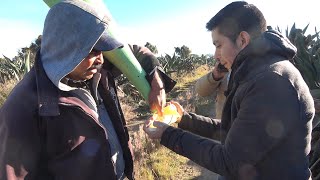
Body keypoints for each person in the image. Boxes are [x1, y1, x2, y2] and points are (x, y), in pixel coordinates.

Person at [0, 0, 175, 179]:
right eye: (92, 51)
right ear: (65, 48)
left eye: (104, 50)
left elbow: (135, 52)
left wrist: (156, 82)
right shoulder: (21, 110)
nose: (100, 59)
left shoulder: (94, 67)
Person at [144, 1, 314, 179]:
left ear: (242, 40)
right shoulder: (256, 73)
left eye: (218, 45)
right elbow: (235, 130)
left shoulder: (271, 82)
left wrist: (168, 135)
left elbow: (229, 161)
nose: (215, 55)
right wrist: (185, 119)